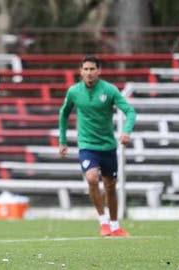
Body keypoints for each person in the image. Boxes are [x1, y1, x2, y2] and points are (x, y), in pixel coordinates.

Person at [58, 55, 136, 237]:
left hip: (108, 146)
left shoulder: (109, 90)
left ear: (99, 71)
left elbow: (130, 112)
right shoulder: (74, 92)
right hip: (87, 145)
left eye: (92, 69)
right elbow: (63, 114)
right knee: (92, 179)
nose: (89, 72)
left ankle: (115, 226)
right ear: (80, 71)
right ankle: (103, 222)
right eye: (85, 69)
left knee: (110, 186)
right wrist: (62, 141)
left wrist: (126, 131)